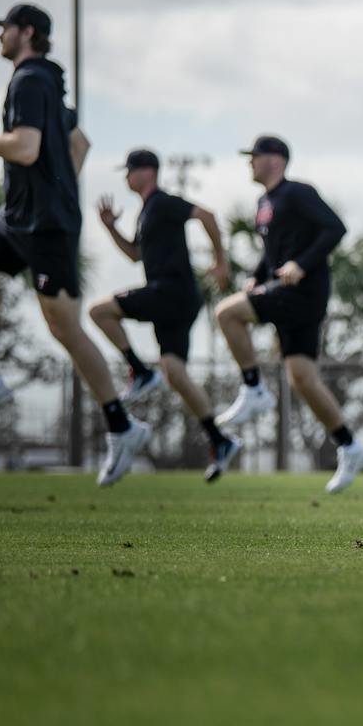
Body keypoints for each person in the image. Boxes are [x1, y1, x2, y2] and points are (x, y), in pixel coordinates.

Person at [0, 4, 151, 486]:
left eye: (6, 29)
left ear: (26, 32)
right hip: (19, 219)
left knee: (67, 330)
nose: (0, 36)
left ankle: (122, 426)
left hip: (46, 228)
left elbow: (27, 148)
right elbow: (80, 144)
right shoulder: (49, 82)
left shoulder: (30, 80)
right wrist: (59, 189)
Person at [209, 135, 363, 493]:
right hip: (282, 290)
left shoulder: (297, 193)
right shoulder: (263, 202)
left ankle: (253, 389)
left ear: (276, 160)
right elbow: (271, 252)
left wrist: (301, 263)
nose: (249, 162)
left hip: (302, 292)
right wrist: (256, 276)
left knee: (227, 313)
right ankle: (351, 445)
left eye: (255, 156)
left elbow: (335, 228)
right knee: (302, 378)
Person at [88, 148, 239, 480]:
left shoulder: (163, 202)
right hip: (174, 299)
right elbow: (134, 255)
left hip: (172, 291)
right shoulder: (145, 213)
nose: (126, 177)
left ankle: (139, 370)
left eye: (130, 170)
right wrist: (111, 228)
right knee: (174, 372)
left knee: (99, 311)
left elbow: (207, 216)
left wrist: (220, 259)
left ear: (147, 171)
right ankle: (220, 440)